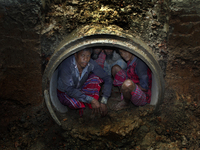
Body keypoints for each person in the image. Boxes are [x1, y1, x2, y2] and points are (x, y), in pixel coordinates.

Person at [57, 48, 112, 116]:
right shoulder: (67, 65)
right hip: (65, 92)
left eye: (88, 56)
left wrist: (104, 100)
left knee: (95, 78)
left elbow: (107, 77)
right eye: (82, 55)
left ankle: (88, 102)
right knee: (76, 104)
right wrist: (91, 100)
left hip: (80, 87)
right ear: (76, 55)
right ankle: (85, 109)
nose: (85, 59)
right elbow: (69, 89)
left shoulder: (90, 63)